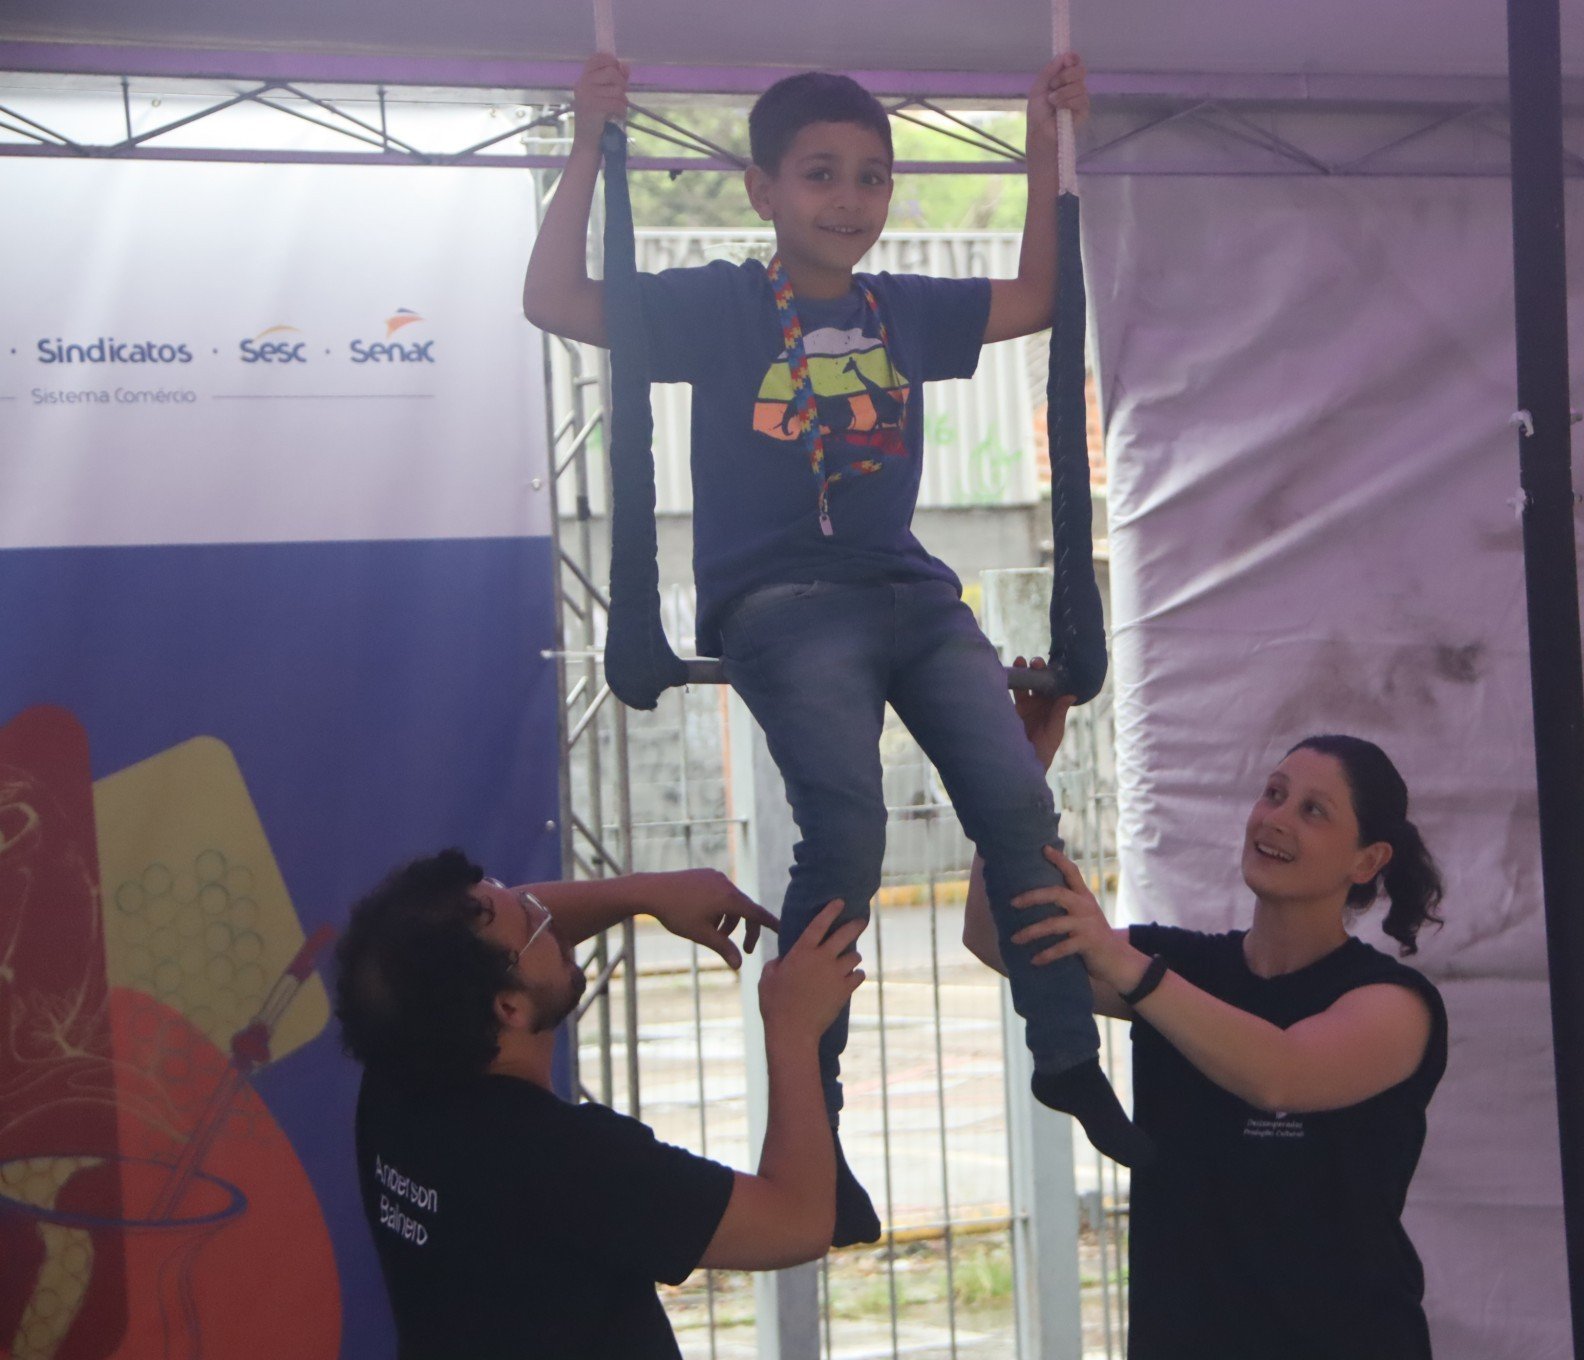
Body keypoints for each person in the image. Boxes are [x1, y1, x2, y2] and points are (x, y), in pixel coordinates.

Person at [522, 50, 1148, 1247]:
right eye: (820, 176)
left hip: (907, 589)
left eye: (870, 178)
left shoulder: (901, 307)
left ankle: (1066, 1052)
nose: (849, 202)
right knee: (848, 831)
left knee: (1019, 804)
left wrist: (1038, 144)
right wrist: (587, 146)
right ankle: (823, 1107)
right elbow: (555, 300)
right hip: (783, 598)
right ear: (761, 190)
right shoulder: (713, 303)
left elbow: (1034, 297)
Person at [965, 665, 1451, 1359]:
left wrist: (1126, 964)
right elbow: (998, 942)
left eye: (1313, 811)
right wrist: (1014, 776)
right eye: (1274, 794)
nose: (1276, 819)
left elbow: (1282, 1074)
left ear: (1368, 859)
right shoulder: (1181, 968)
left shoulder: (1395, 1006)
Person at [334, 850, 863, 1360]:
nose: (548, 915)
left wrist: (646, 893)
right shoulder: (565, 1161)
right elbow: (796, 1222)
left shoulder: (399, 1078)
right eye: (535, 923)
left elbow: (488, 942)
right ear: (509, 1006)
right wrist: (792, 1027)